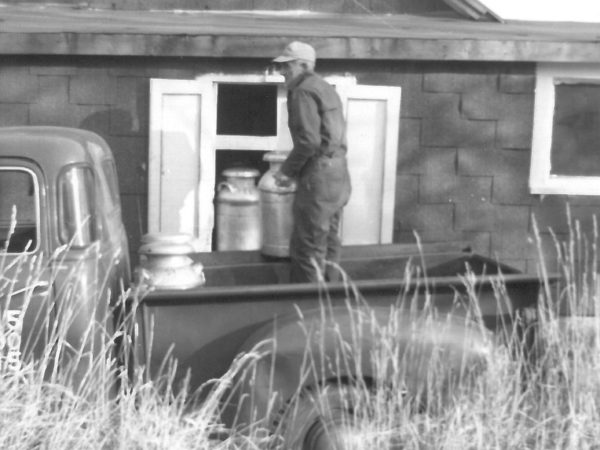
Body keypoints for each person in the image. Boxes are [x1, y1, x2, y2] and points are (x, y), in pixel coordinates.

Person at [272, 41, 351, 283]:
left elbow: (308, 142)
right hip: (338, 176)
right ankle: (331, 302)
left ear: (305, 65)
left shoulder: (302, 90)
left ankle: (308, 311)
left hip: (318, 178)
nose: (282, 72)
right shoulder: (324, 87)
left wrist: (286, 172)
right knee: (329, 242)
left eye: (287, 66)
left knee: (307, 247)